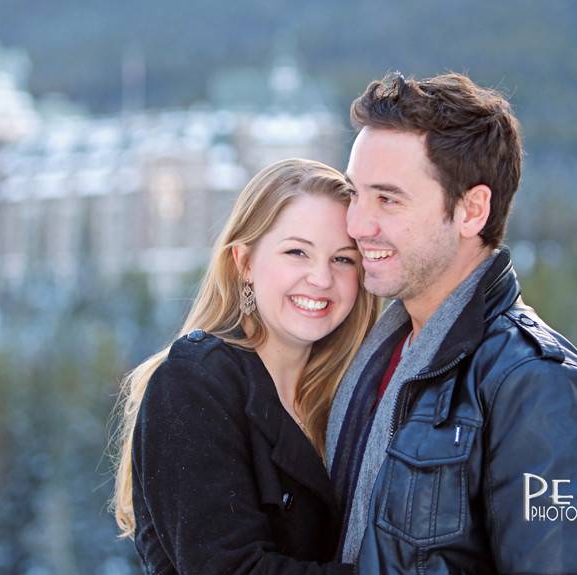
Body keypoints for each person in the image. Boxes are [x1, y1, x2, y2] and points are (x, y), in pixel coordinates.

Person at [326, 73, 577, 573]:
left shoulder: (540, 386)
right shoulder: (367, 352)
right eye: (356, 194)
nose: (356, 224)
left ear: (471, 210)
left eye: (388, 199)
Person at [112, 158, 379, 574]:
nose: (321, 279)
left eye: (343, 259)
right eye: (297, 252)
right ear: (244, 262)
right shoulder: (194, 383)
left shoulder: (350, 393)